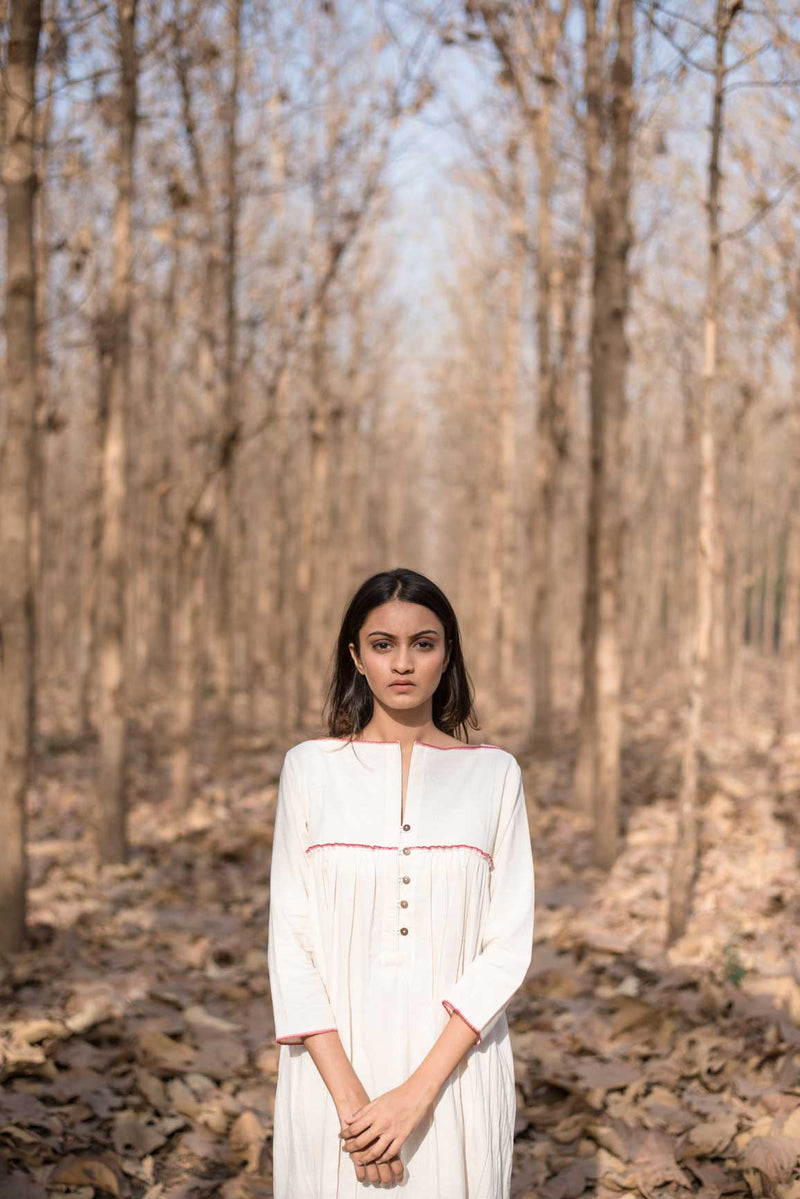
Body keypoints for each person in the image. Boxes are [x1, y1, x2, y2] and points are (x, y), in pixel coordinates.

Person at [267, 567, 535, 1197]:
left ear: (449, 654)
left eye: (424, 642)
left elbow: (507, 947)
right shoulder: (309, 768)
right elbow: (291, 941)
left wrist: (415, 1097)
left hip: (455, 1078)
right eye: (383, 644)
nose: (403, 662)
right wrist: (357, 1109)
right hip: (333, 1079)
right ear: (356, 657)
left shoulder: (495, 774)